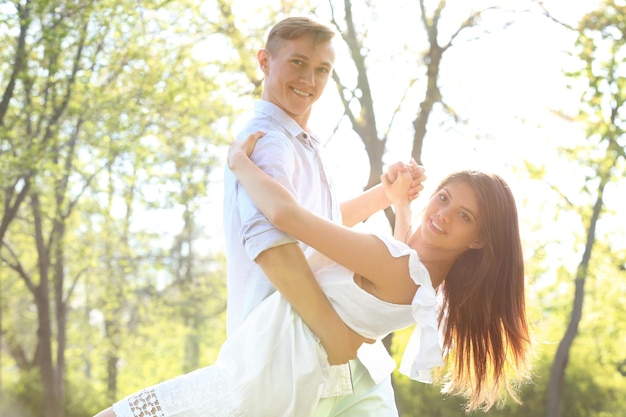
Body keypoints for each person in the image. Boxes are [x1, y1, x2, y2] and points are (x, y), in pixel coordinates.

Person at [95, 15, 421, 417]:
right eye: (297, 62)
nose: (309, 79)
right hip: (289, 351)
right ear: (264, 61)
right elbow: (275, 251)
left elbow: (319, 226)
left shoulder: (300, 141)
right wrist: (333, 335)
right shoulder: (266, 141)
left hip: (339, 358)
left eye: (322, 69)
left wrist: (383, 196)